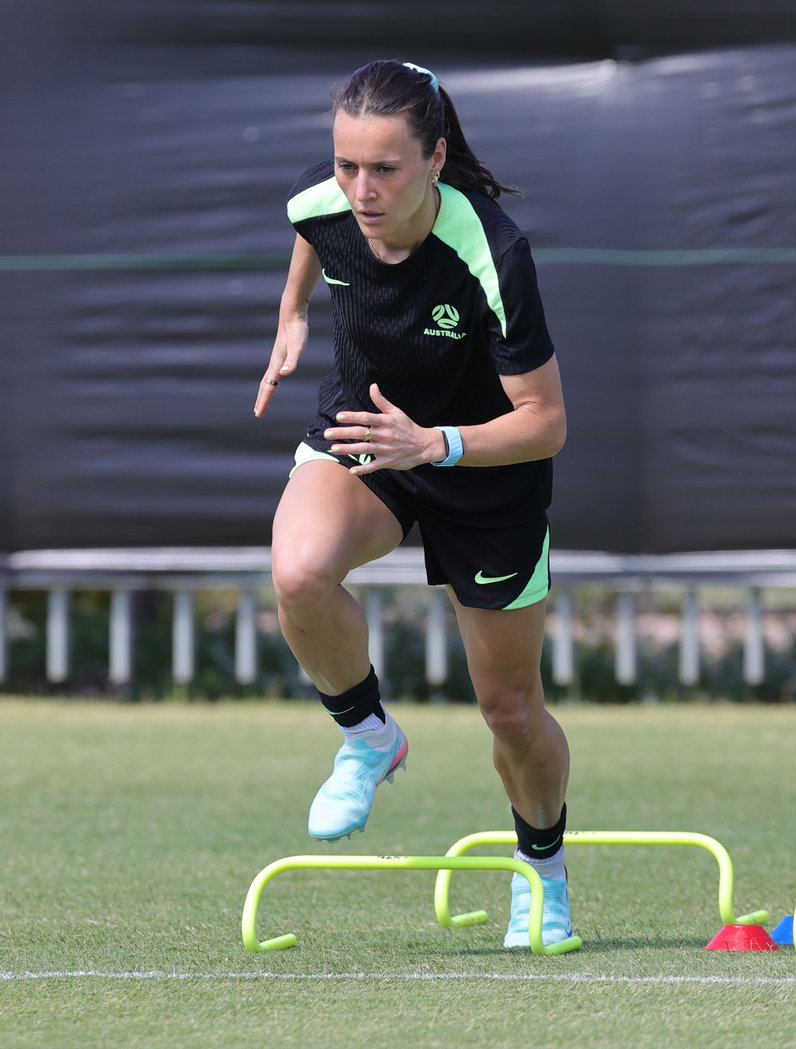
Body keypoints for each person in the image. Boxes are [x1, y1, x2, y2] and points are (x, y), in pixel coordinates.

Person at [254, 59, 575, 951]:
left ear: (435, 158)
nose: (360, 189)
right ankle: (367, 736)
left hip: (486, 467)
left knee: (509, 707)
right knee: (299, 571)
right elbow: (313, 231)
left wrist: (441, 442)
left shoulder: (492, 251)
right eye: (346, 165)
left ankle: (542, 875)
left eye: (385, 169)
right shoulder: (327, 205)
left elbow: (546, 422)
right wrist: (291, 312)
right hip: (370, 435)